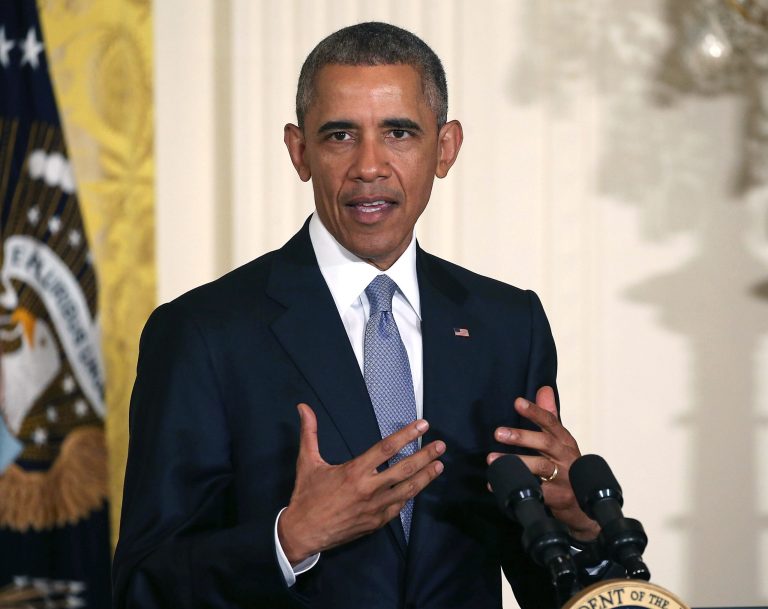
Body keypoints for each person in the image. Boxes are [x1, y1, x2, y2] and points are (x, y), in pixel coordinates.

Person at [113, 22, 611, 609]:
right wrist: (290, 539)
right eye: (340, 135)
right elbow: (142, 586)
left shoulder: (507, 325)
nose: (368, 166)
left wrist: (579, 524)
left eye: (398, 132)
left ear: (445, 147)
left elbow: (548, 585)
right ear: (300, 152)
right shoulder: (202, 333)